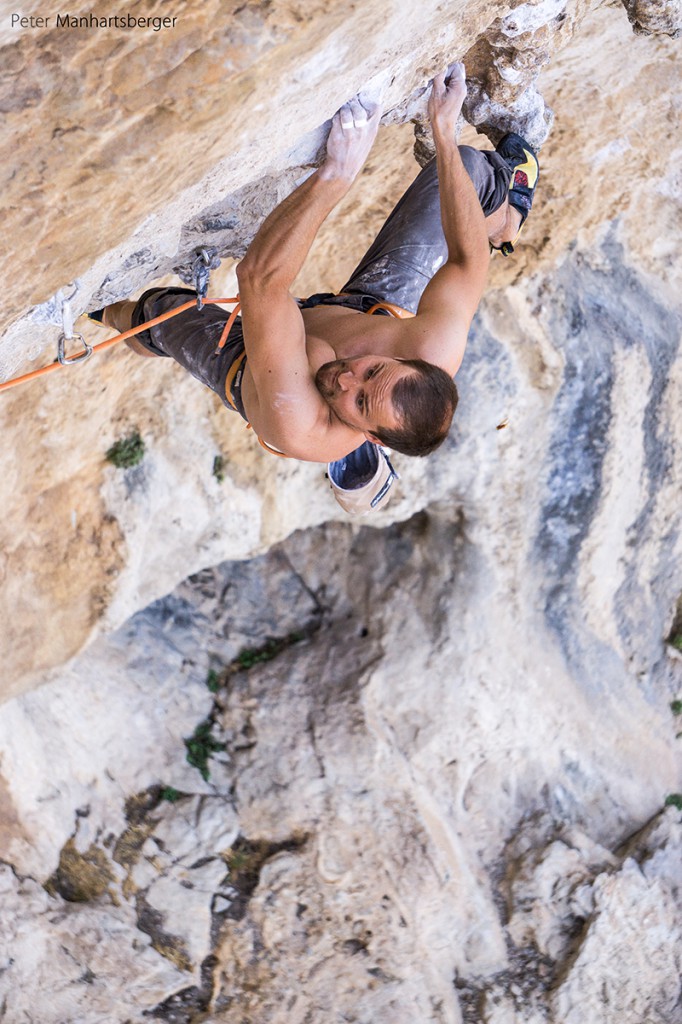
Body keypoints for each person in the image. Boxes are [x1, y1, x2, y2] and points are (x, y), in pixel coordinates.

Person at [97, 63, 538, 475]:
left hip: (252, 362)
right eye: (373, 371)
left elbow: (259, 280)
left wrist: (338, 174)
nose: (348, 378)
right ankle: (508, 219)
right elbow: (467, 259)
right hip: (370, 307)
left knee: (155, 313)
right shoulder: (432, 347)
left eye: (361, 401)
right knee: (468, 167)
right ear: (405, 359)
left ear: (368, 437)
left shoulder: (300, 422)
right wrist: (444, 129)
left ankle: (98, 314)